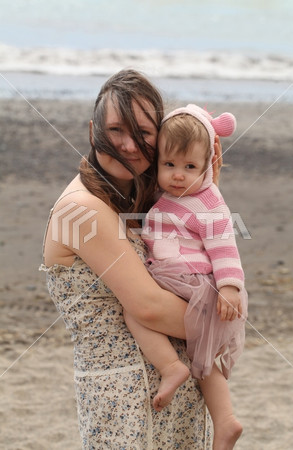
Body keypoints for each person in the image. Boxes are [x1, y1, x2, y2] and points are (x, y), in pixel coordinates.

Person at [40, 70, 228, 449]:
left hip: (172, 391)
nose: (128, 145)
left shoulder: (141, 197)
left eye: (143, 132)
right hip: (126, 393)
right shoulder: (82, 209)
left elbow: (192, 255)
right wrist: (225, 324)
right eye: (115, 130)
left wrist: (207, 189)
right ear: (93, 131)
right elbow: (149, 307)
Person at [124, 104, 248, 445]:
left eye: (190, 167)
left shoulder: (209, 202)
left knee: (134, 311)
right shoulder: (166, 196)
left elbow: (224, 247)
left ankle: (170, 369)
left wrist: (230, 287)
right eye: (169, 165)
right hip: (176, 281)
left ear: (207, 166)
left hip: (194, 284)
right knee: (201, 355)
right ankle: (225, 420)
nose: (178, 175)